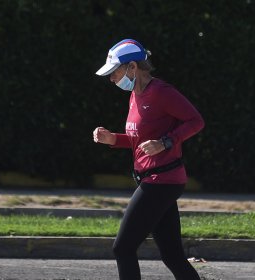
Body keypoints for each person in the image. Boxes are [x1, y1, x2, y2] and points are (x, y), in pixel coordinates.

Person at [93, 39, 204, 280]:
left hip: (161, 180)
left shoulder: (162, 93)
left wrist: (166, 142)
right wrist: (113, 139)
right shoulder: (135, 95)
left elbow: (196, 121)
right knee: (173, 255)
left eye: (115, 72)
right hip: (155, 180)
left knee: (122, 248)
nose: (112, 79)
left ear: (132, 67)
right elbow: (139, 140)